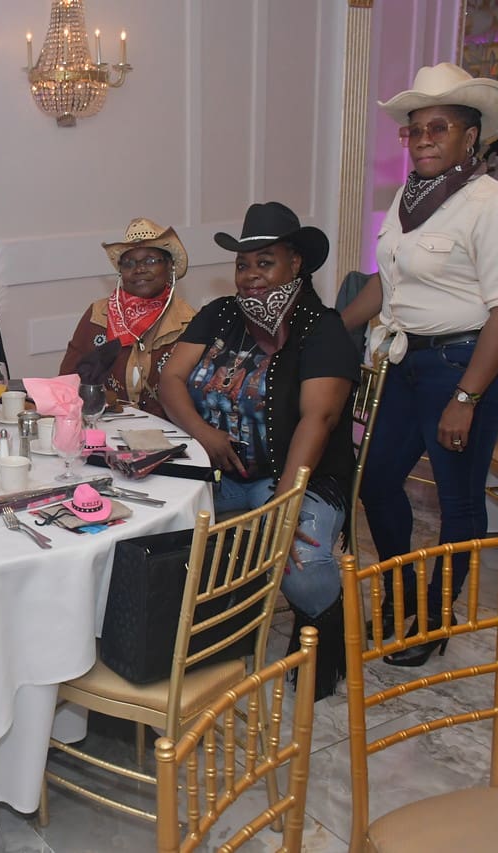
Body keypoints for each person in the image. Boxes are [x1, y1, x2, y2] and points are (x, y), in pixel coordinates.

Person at [342, 63, 498, 666]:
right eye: (414, 129)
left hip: (465, 364)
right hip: (406, 361)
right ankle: (402, 598)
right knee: (374, 480)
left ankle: (433, 616)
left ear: (469, 135)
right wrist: (327, 328)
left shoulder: (492, 203)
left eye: (439, 127)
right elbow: (389, 282)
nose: (422, 138)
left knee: (457, 499)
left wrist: (468, 397)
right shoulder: (410, 198)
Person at [161, 202, 358, 699]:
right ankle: (198, 635)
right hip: (223, 471)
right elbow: (171, 378)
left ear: (296, 264)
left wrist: (285, 504)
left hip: (298, 476)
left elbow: (320, 419)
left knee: (303, 568)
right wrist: (205, 436)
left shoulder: (323, 327)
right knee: (160, 532)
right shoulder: (219, 314)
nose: (249, 276)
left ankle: (323, 630)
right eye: (242, 264)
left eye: (264, 262)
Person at [58, 218, 196, 417]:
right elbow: (67, 381)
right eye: (129, 263)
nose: (139, 269)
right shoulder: (99, 315)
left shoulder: (190, 322)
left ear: (169, 267)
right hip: (105, 429)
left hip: (170, 436)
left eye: (150, 260)